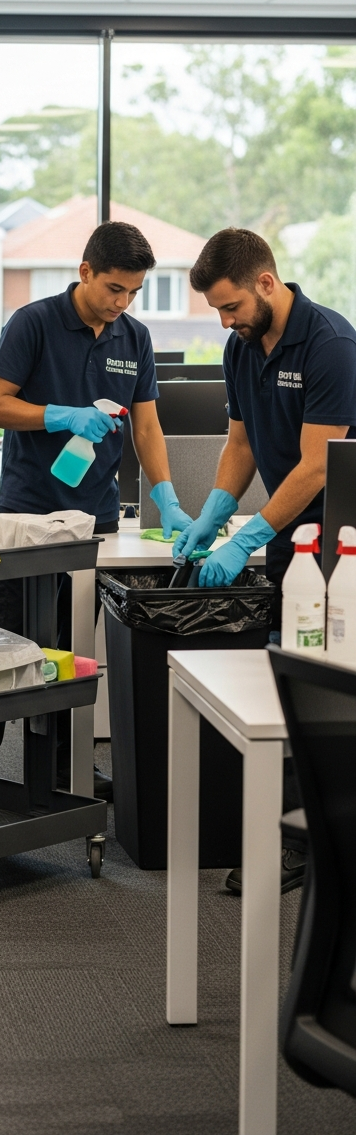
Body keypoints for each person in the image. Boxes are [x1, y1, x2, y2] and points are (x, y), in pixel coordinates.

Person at [0, 220, 192, 799]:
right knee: (0, 640)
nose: (122, 302)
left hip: (95, 518)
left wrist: (168, 498)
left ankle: (62, 765)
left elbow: (148, 425)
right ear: (84, 272)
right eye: (114, 288)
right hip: (29, 511)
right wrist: (60, 414)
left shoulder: (133, 338)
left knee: (71, 645)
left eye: (132, 292)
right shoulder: (33, 323)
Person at [172, 226, 356, 893]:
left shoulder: (331, 345)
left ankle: (307, 850)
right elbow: (242, 444)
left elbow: (316, 466)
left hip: (342, 546)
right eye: (219, 311)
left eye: (231, 306)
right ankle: (298, 842)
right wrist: (213, 515)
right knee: (289, 692)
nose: (226, 321)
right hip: (291, 543)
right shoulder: (240, 347)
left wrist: (245, 539)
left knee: (324, 698)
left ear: (266, 283)